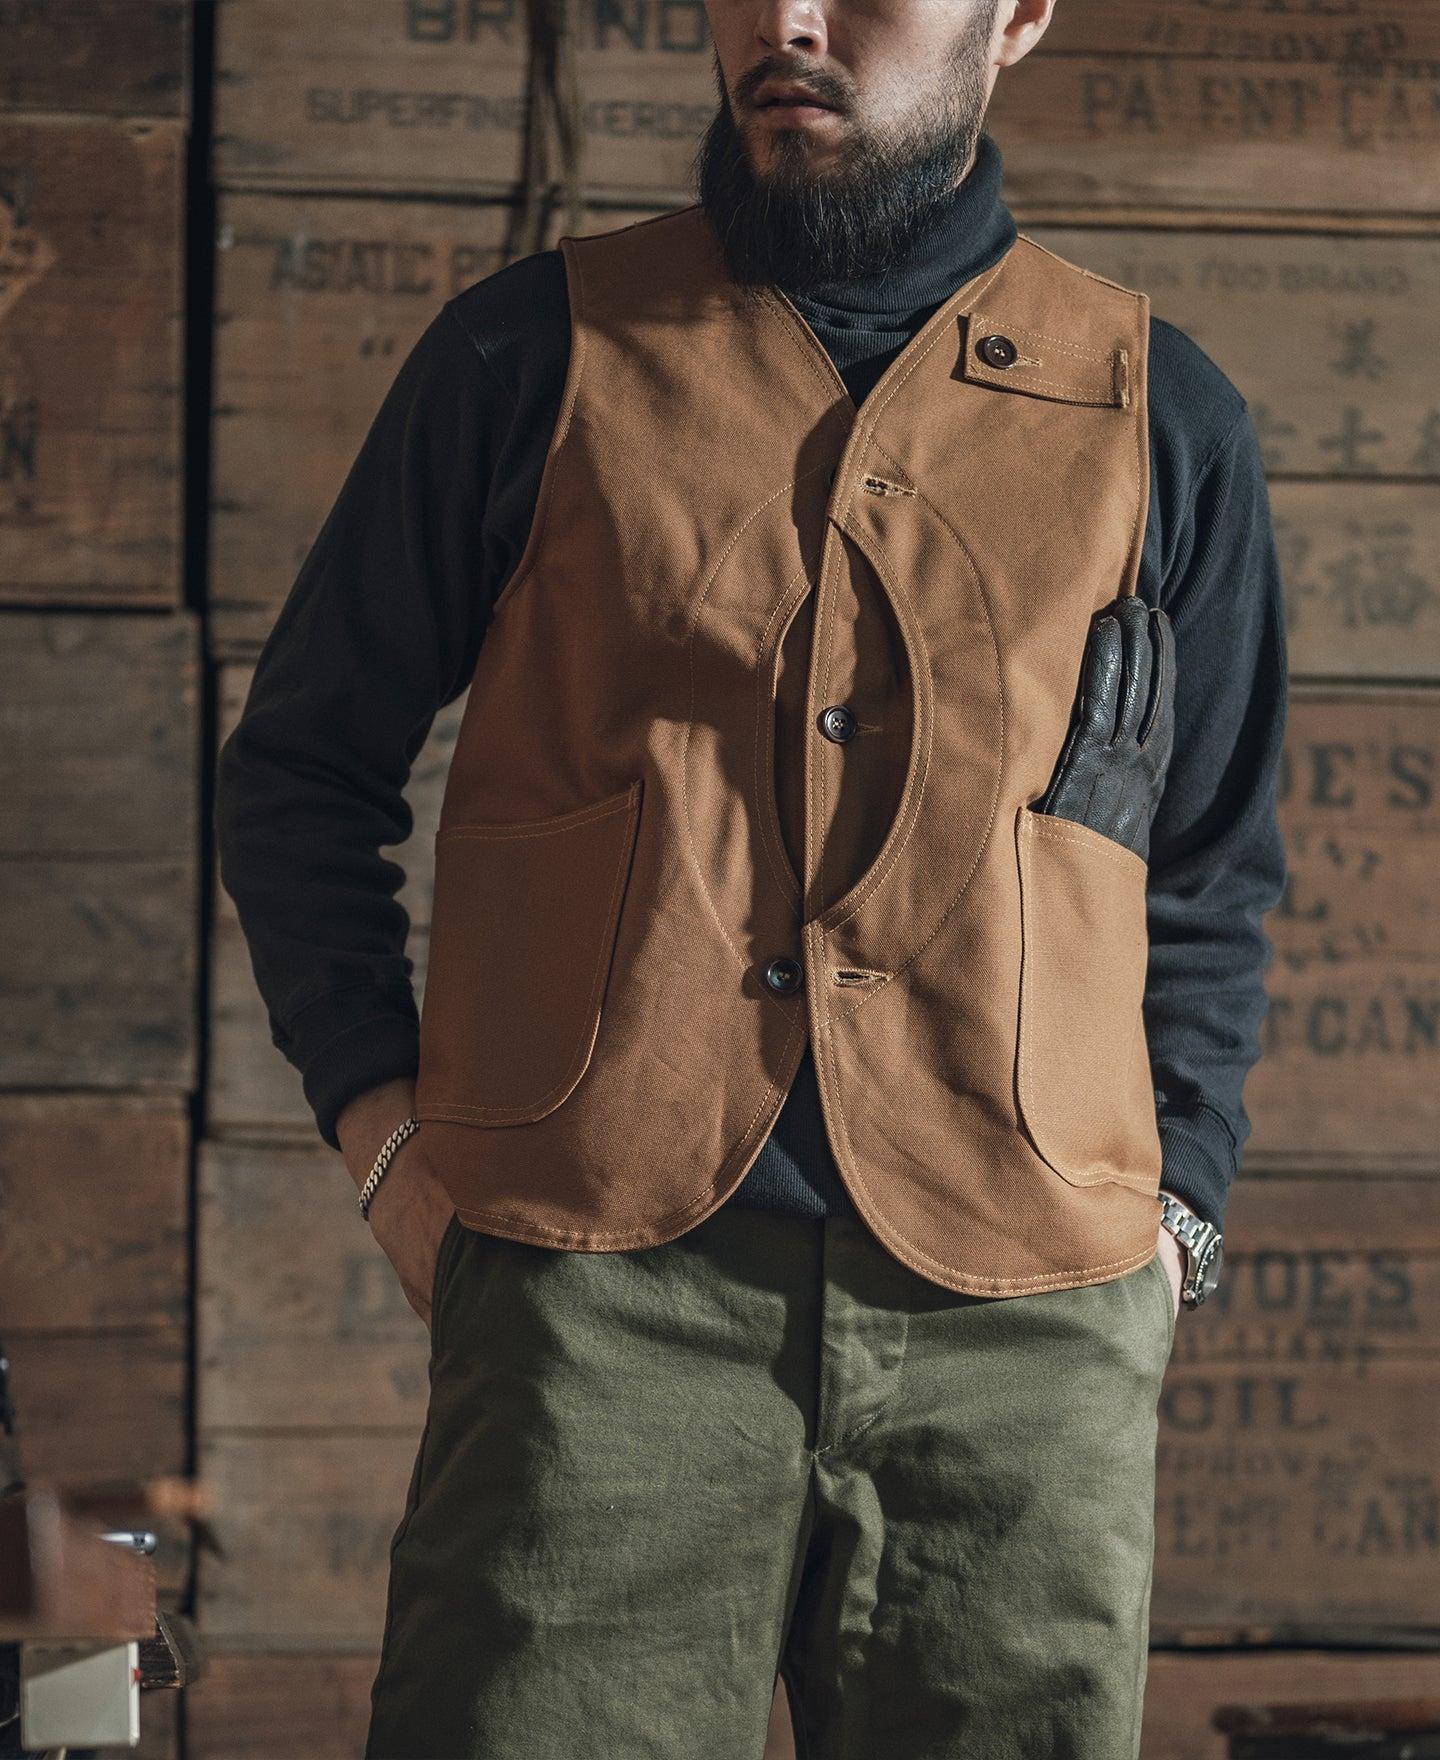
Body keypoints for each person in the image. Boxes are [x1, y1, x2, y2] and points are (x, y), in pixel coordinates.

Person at [214, 1, 1288, 1754]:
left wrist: (1175, 1219)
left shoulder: (1161, 412)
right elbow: (301, 775)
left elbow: (1214, 869)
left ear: (1017, 15)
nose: (787, 17)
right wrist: (387, 1143)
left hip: (1029, 1326)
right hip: (597, 1307)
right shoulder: (530, 355)